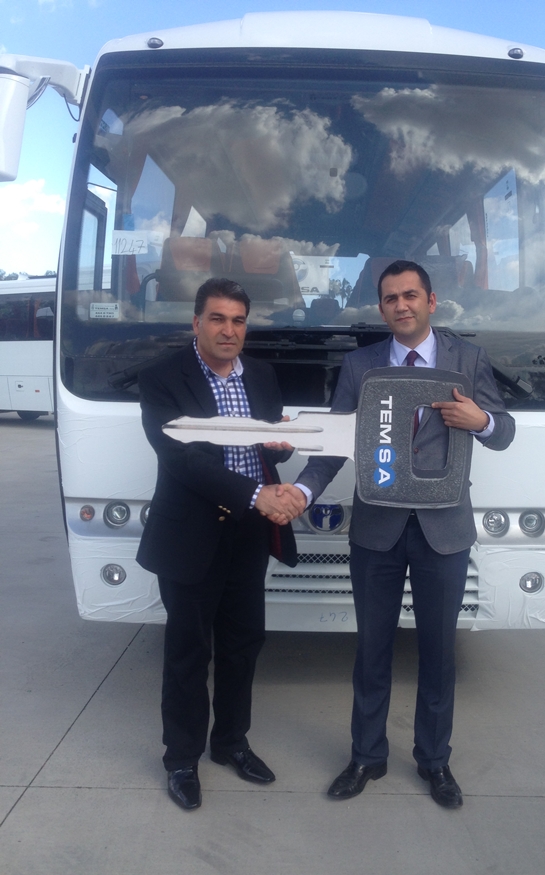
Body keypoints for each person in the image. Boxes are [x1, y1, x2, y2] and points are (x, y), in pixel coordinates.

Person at [289, 259, 515, 809]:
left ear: (431, 302)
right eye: (391, 298)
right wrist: (302, 491)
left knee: (438, 654)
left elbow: (504, 431)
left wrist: (481, 421)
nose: (401, 305)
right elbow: (335, 443)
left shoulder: (468, 360)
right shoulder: (360, 366)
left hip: (444, 530)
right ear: (382, 307)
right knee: (372, 650)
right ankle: (366, 756)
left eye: (410, 295)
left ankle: (435, 761)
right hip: (378, 530)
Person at [137, 277, 305, 811]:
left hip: (249, 533)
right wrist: (257, 494)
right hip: (192, 533)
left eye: (238, 320)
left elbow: (263, 448)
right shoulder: (162, 378)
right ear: (196, 323)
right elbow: (182, 459)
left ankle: (231, 742)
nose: (228, 330)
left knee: (242, 644)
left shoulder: (261, 375)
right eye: (217, 318)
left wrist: (280, 446)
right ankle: (181, 759)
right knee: (189, 650)